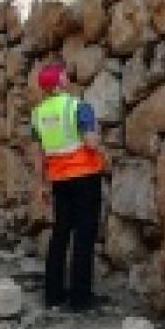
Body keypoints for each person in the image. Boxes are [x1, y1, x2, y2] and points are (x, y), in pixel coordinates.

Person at [29, 63, 107, 312]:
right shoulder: (77, 106)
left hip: (58, 180)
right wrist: (101, 141)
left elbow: (38, 152)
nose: (67, 77)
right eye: (64, 75)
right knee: (84, 235)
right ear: (61, 83)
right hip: (85, 177)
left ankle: (53, 294)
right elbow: (91, 142)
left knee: (61, 232)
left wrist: (40, 183)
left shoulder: (38, 114)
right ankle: (80, 298)